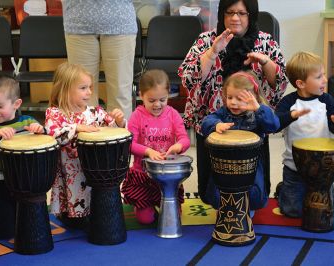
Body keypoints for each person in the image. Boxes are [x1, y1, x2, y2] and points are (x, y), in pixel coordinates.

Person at [178, 0, 288, 203]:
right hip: (213, 123)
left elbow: (279, 83)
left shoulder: (266, 42)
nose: (235, 18)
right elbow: (188, 79)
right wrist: (213, 52)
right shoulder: (205, 40)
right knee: (210, 194)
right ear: (222, 15)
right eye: (229, 12)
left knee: (256, 192)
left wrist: (265, 61)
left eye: (242, 13)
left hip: (253, 126)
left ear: (251, 15)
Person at [45, 62, 126, 228]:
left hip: (93, 167)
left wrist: (119, 120)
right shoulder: (55, 113)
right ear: (65, 89)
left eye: (90, 87)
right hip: (69, 169)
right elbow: (53, 134)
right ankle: (72, 215)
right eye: (83, 88)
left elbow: (114, 130)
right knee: (74, 213)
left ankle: (91, 213)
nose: (89, 92)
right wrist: (77, 127)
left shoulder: (94, 112)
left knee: (96, 199)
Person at [275, 51, 334, 218]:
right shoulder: (288, 103)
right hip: (294, 166)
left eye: (323, 74)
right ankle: (283, 192)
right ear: (301, 83)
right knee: (292, 211)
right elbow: (275, 125)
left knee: (330, 208)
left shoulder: (326, 100)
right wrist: (290, 116)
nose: (324, 79)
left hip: (322, 167)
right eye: (318, 77)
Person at [0, 76, 45, 239]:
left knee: (29, 226)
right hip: (0, 183)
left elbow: (44, 141)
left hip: (26, 182)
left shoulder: (27, 122)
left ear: (16, 104)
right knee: (3, 231)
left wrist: (40, 130)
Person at [201, 71, 280, 210]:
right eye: (230, 97)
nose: (233, 103)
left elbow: (274, 125)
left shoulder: (258, 114)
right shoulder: (224, 113)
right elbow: (207, 121)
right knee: (217, 194)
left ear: (254, 97)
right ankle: (225, 210)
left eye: (240, 98)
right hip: (224, 163)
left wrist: (258, 108)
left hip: (251, 164)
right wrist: (216, 125)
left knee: (254, 194)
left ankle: (246, 209)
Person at [121, 69, 191, 224]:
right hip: (143, 175)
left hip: (167, 175)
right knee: (146, 219)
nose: (157, 104)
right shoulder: (136, 116)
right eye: (151, 100)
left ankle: (164, 202)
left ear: (168, 94)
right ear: (141, 95)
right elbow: (129, 143)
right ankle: (143, 206)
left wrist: (178, 146)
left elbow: (184, 139)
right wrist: (148, 151)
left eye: (163, 99)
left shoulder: (172, 114)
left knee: (174, 218)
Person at [62, 0, 137, 119]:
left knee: (120, 92)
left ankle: (119, 137)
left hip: (120, 22)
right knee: (81, 93)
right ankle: (85, 136)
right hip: (77, 22)